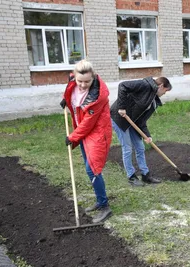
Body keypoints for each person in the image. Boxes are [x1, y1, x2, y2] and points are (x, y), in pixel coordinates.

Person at [60, 60, 113, 223]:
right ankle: (100, 200)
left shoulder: (98, 96)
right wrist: (66, 100)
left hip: (97, 133)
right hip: (83, 131)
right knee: (89, 168)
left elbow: (89, 122)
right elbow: (71, 91)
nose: (83, 85)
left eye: (87, 82)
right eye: (80, 81)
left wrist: (72, 137)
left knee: (93, 170)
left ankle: (105, 207)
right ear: (74, 77)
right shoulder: (73, 81)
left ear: (94, 77)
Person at [110, 77, 172, 186]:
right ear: (161, 86)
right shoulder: (145, 85)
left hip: (132, 122)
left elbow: (142, 119)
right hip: (119, 118)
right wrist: (122, 107)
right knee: (127, 148)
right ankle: (131, 176)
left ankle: (145, 175)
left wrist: (147, 135)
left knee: (140, 147)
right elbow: (123, 85)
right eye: (165, 91)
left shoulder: (153, 101)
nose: (165, 93)